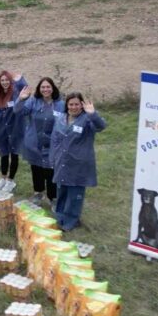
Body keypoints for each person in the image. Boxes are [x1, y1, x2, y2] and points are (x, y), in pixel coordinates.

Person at [50, 92, 106, 231]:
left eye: (76, 104)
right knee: (62, 191)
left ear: (81, 105)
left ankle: (70, 222)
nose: (73, 107)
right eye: (71, 104)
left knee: (75, 194)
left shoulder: (87, 119)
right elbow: (55, 139)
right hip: (62, 161)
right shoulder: (61, 118)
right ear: (66, 105)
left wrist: (93, 114)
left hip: (79, 164)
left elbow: (101, 126)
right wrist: (53, 157)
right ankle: (60, 217)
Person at [15, 77, 65, 206]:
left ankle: (53, 198)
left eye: (48, 87)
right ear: (39, 89)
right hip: (34, 143)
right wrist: (21, 99)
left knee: (51, 171)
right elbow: (17, 111)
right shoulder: (33, 102)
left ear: (53, 88)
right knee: (36, 169)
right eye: (43, 87)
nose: (45, 89)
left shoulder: (60, 105)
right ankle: (38, 193)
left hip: (53, 145)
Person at [0, 71, 28, 193]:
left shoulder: (15, 93)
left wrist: (21, 80)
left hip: (15, 129)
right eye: (2, 80)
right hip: (1, 130)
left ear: (11, 81)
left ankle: (11, 180)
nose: (5, 82)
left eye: (7, 80)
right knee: (4, 155)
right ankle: (3, 177)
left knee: (14, 155)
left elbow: (24, 91)